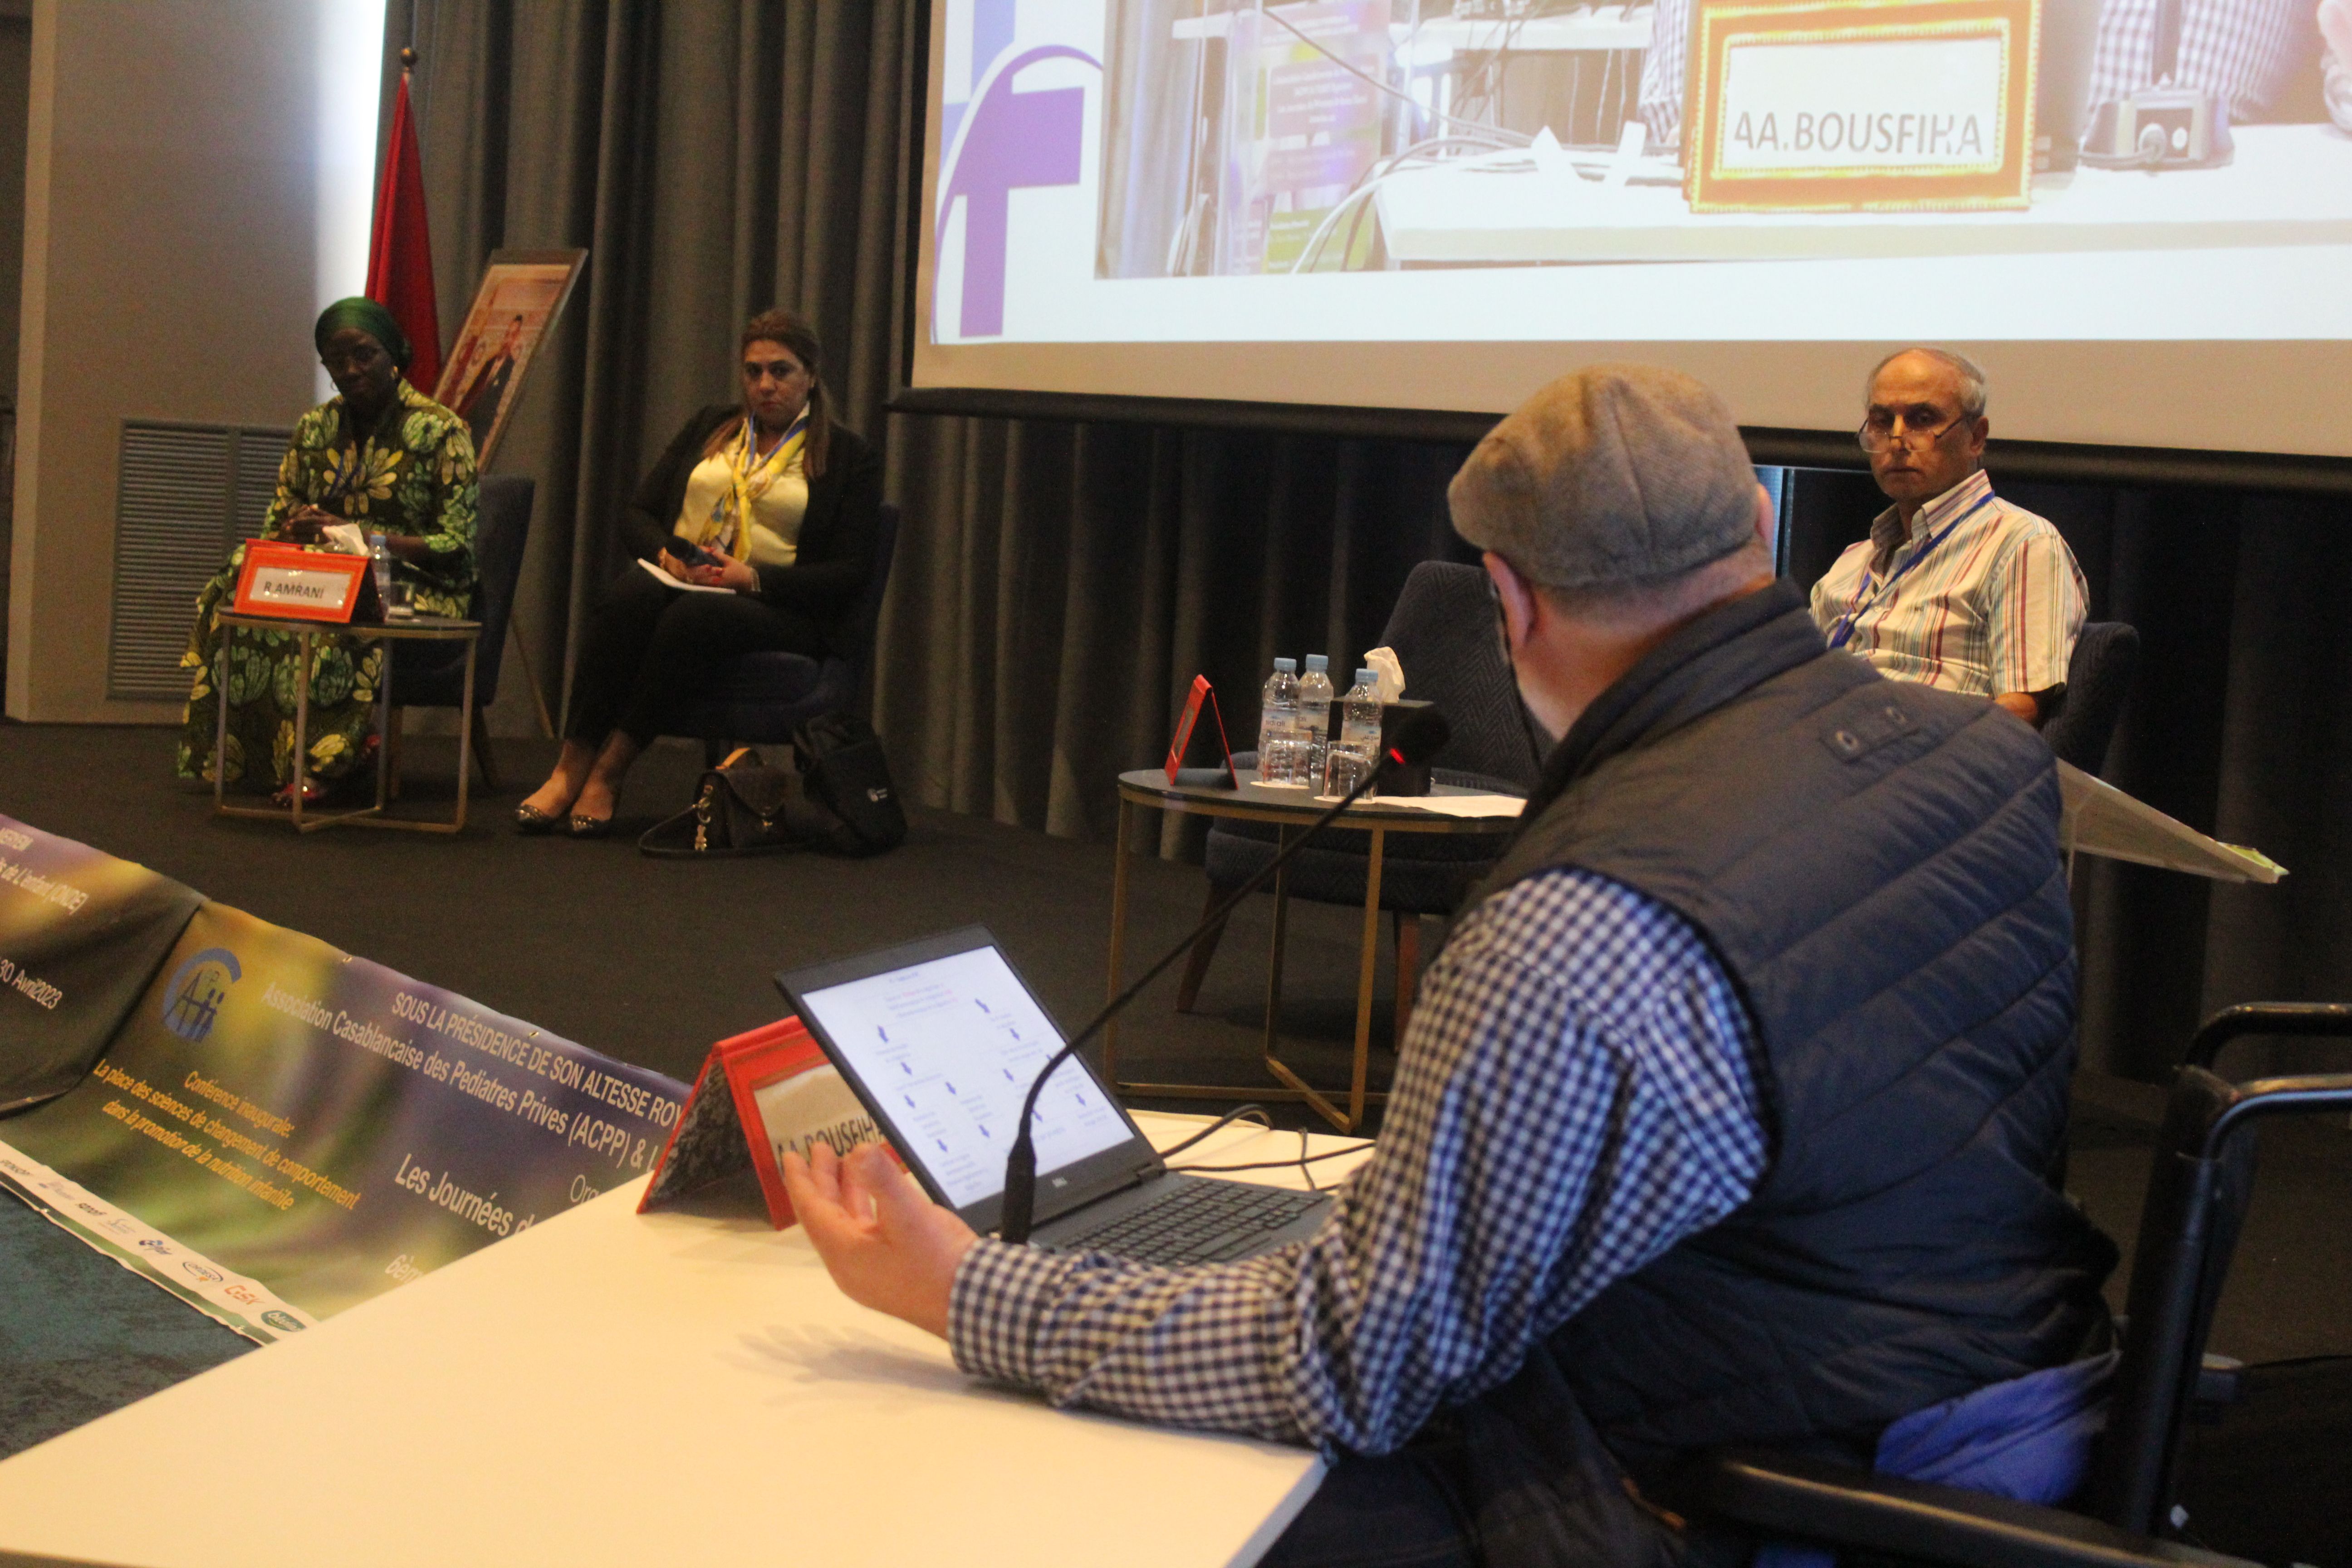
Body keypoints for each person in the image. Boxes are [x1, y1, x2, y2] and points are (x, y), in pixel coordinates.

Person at [778, 365, 2117, 1567]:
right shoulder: (1988, 768)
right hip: (2009, 1394)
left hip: (1748, 1483)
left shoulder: (1584, 916)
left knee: (1100, 1492)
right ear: (1759, 538)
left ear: (1508, 601)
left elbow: (1352, 1363)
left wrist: (965, 1292)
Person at [516, 308, 884, 836]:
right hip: (686, 582)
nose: (765, 385)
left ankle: (611, 769)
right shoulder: (713, 425)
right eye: (753, 371)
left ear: (811, 376)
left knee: (694, 619)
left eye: (780, 371)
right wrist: (668, 554)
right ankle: (569, 766)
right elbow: (637, 513)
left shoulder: (850, 456)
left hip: (780, 605)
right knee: (629, 596)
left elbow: (850, 573)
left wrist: (751, 578)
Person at [176, 298, 479, 801]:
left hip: (418, 583)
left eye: (364, 355)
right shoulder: (315, 428)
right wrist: (297, 528)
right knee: (241, 575)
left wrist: (359, 536)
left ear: (393, 354)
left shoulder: (442, 431)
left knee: (347, 599)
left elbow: (455, 544)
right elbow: (276, 521)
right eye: (336, 361)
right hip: (326, 571)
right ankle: (253, 757)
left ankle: (336, 762)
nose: (351, 370)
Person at [1809, 348, 2087, 725]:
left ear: (1976, 438)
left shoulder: (2022, 544)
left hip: (1922, 752)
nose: (1897, 440)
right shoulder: (1851, 562)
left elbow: (2020, 713)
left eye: (1922, 420)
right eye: (1882, 421)